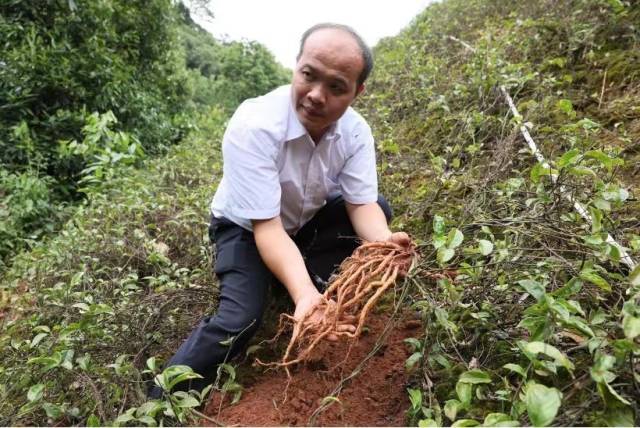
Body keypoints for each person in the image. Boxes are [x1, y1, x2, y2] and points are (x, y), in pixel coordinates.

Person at [149, 22, 410, 398]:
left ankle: (293, 281)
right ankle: (161, 398)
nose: (317, 96)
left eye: (337, 87)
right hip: (246, 229)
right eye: (309, 76)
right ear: (297, 65)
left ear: (357, 92)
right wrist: (303, 291)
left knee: (380, 210)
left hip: (302, 223)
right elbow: (267, 229)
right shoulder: (255, 125)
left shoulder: (355, 132)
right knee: (240, 319)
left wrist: (385, 244)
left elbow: (361, 204)